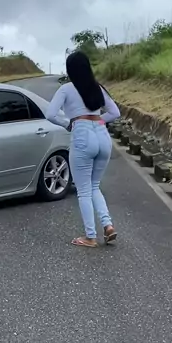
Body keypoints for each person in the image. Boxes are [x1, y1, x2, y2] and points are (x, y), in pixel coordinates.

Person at [46, 51, 120, 248]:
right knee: (94, 185)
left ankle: (90, 236)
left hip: (82, 136)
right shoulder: (97, 87)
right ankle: (108, 225)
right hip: (103, 135)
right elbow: (115, 112)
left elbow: (50, 114)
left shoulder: (66, 89)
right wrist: (98, 120)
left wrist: (69, 123)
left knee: (84, 190)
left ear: (70, 70)